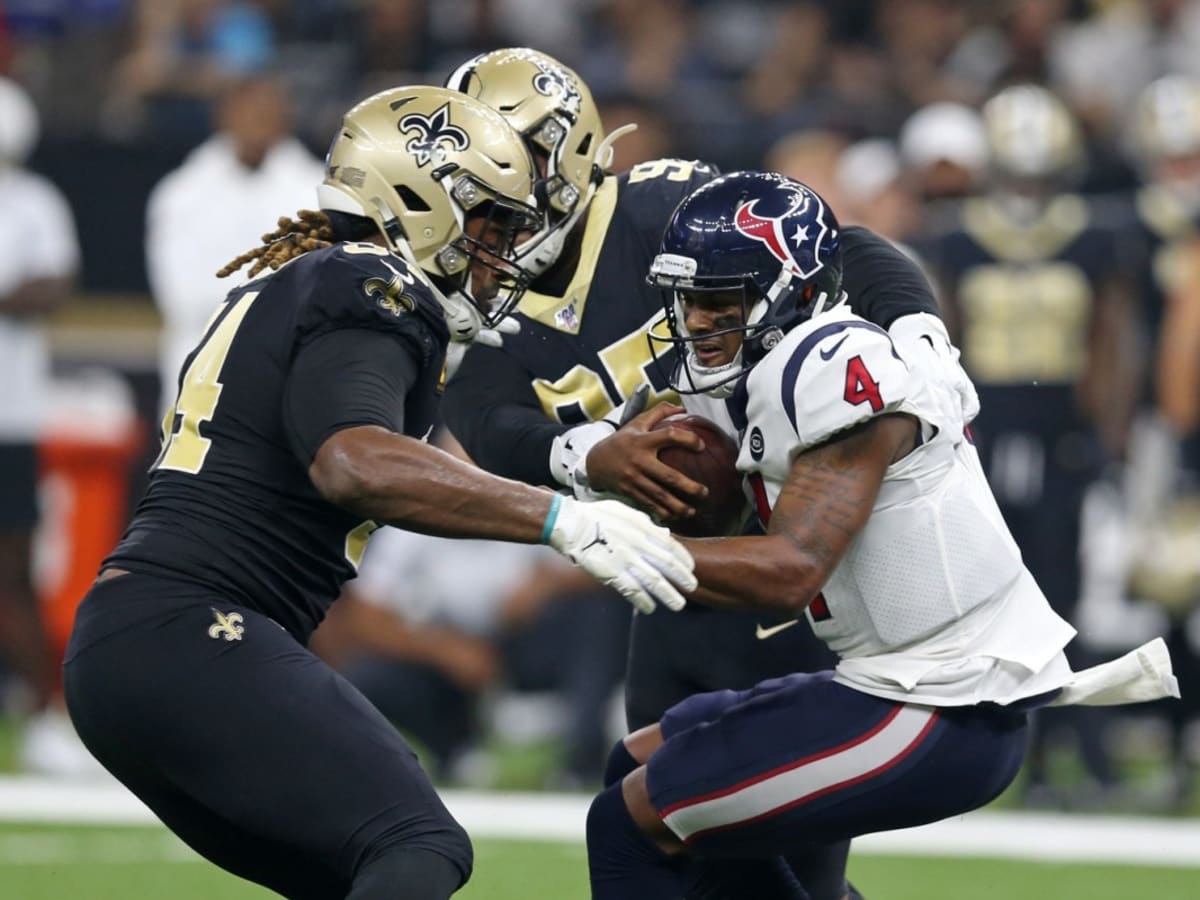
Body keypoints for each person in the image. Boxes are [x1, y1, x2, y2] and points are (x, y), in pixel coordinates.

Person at [62, 85, 695, 900]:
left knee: (360, 870)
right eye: (490, 221)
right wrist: (561, 520)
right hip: (193, 632)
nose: (505, 248)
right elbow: (354, 461)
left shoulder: (306, 284)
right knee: (419, 843)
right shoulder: (372, 285)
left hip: (142, 641)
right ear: (418, 202)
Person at [584, 170, 1179, 900]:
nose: (699, 321)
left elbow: (791, 570)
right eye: (687, 301)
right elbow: (871, 256)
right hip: (900, 684)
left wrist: (603, 535)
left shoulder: (832, 367)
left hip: (940, 705)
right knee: (640, 766)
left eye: (718, 301)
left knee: (625, 822)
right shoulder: (806, 352)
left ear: (792, 292)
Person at [441, 47, 948, 900]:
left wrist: (921, 338)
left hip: (789, 565)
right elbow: (484, 418)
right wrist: (592, 454)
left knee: (796, 862)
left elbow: (847, 247)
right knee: (676, 838)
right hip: (673, 581)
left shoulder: (659, 206)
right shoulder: (475, 279)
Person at [146, 73, 324, 413]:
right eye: (247, 112)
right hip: (201, 366)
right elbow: (182, 296)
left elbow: (320, 291)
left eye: (266, 114)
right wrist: (276, 298)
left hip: (289, 373)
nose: (256, 124)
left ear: (285, 120)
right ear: (224, 116)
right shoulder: (182, 193)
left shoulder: (316, 193)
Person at [0, 76, 79, 739]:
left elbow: (53, 283)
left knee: (12, 571)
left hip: (9, 413)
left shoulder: (32, 202)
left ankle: (45, 711)